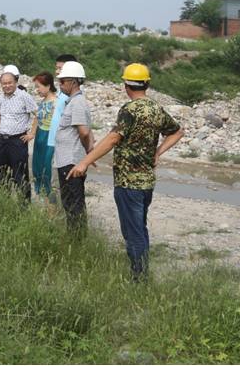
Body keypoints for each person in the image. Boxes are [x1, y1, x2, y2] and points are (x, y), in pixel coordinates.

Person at [69, 63, 183, 281]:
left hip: (128, 182)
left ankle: (139, 278)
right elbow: (177, 132)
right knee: (140, 228)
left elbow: (113, 139)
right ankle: (142, 271)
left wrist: (84, 162)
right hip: (147, 182)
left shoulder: (129, 110)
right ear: (146, 84)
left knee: (133, 233)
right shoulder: (156, 108)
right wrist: (158, 152)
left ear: (126, 86)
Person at [53, 61, 93, 231]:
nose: (60, 84)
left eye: (63, 81)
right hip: (67, 160)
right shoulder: (73, 101)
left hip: (71, 161)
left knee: (73, 203)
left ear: (74, 82)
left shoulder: (77, 102)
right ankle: (74, 235)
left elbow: (84, 131)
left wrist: (88, 152)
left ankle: (77, 237)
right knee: (69, 202)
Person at [0, 65, 38, 202]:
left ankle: (24, 204)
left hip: (18, 141)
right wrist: (1, 127)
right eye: (4, 83)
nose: (7, 86)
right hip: (3, 140)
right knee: (1, 172)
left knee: (20, 173)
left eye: (10, 83)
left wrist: (32, 133)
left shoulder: (24, 96)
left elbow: (38, 114)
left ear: (15, 82)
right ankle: (4, 201)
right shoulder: (1, 98)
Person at [47, 54, 79, 200]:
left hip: (65, 148)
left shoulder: (71, 95)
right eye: (56, 68)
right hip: (55, 142)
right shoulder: (62, 91)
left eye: (60, 68)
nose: (57, 71)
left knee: (61, 186)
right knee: (54, 182)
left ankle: (59, 211)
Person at [29, 72, 57, 201]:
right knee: (37, 164)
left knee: (47, 164)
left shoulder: (56, 102)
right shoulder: (43, 101)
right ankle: (39, 192)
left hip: (50, 136)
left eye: (38, 86)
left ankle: (49, 194)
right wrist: (32, 133)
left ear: (48, 85)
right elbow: (37, 118)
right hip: (40, 135)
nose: (37, 90)